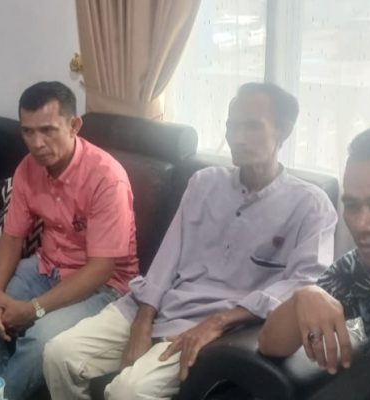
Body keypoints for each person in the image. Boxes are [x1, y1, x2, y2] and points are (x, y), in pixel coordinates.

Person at [43, 82, 338, 400]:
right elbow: (167, 258)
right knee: (59, 355)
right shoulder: (204, 183)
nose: (238, 137)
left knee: (128, 391)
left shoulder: (310, 205)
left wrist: (220, 321)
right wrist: (143, 321)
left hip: (214, 327)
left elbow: (303, 287)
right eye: (232, 126)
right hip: (156, 305)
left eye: (252, 126)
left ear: (284, 130)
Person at [0, 81, 139, 400]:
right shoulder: (28, 168)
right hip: (46, 267)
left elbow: (101, 269)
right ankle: (2, 389)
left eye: (48, 130)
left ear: (74, 126)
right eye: (27, 132)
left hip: (104, 287)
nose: (36, 143)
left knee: (41, 338)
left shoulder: (107, 177)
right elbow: (12, 237)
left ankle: (0, 394)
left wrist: (34, 309)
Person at [258, 126, 370, 375]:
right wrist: (303, 297)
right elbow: (269, 344)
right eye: (352, 206)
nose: (361, 225)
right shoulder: (356, 269)